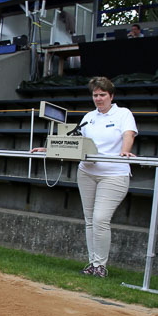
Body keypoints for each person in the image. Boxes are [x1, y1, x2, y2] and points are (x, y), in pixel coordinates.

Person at [33, 77, 137, 277]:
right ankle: (93, 263)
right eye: (95, 95)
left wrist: (125, 151)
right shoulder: (89, 116)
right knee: (90, 220)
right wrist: (48, 148)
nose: (98, 99)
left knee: (100, 218)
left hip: (113, 174)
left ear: (111, 96)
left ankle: (100, 265)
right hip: (87, 173)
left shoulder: (123, 114)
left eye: (102, 95)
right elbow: (73, 140)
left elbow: (128, 135)